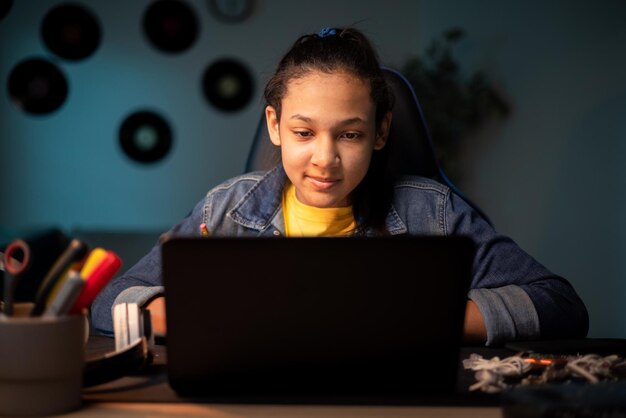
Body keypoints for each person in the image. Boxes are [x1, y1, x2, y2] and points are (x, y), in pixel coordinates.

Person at [90, 27, 588, 346]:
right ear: (275, 126)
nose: (325, 159)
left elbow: (561, 306)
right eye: (304, 133)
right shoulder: (225, 208)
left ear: (381, 132)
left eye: (349, 134)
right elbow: (109, 300)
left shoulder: (432, 212)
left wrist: (425, 322)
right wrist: (182, 319)